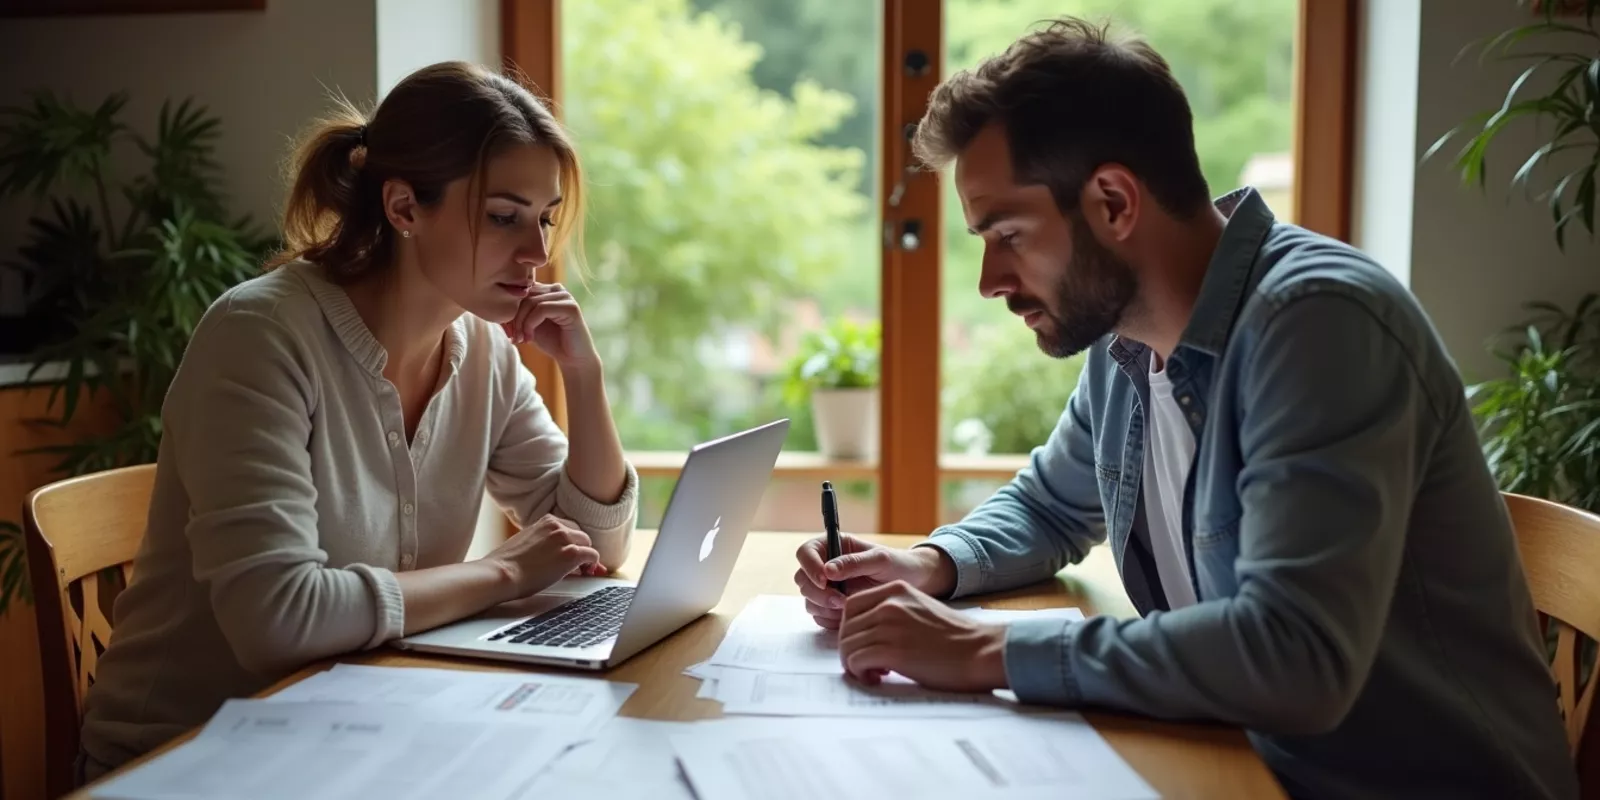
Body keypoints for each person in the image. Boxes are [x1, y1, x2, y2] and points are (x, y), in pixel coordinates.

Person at [793, 18, 1577, 799]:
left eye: (1009, 235)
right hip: (1235, 759)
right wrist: (928, 565)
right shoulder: (1123, 337)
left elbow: (1292, 655)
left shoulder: (1318, 326)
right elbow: (1050, 506)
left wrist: (981, 649)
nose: (990, 280)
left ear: (1112, 202)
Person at [79, 61, 638, 781]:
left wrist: (583, 377)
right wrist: (502, 570)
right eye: (504, 217)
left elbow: (595, 544)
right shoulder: (259, 335)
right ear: (404, 208)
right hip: (191, 757)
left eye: (545, 218)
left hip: (359, 732)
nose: (535, 255)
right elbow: (280, 620)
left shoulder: (484, 354)